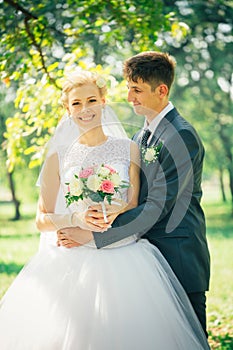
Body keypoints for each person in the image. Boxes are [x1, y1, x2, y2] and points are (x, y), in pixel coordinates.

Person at [0, 70, 210, 349]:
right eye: (76, 103)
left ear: (103, 101)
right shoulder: (57, 157)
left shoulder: (130, 148)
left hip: (125, 254)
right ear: (67, 109)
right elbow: (42, 219)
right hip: (71, 256)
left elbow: (135, 202)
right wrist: (75, 219)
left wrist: (111, 211)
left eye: (91, 100)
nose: (85, 109)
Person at [60, 52, 211, 337]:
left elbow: (157, 206)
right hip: (144, 255)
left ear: (161, 90)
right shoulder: (141, 136)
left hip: (177, 255)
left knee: (189, 339)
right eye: (129, 88)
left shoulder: (181, 136)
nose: (129, 97)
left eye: (137, 89)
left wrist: (93, 237)